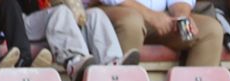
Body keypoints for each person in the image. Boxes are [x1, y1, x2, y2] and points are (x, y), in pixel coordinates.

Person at [19, 0, 137, 81]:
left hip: (56, 19)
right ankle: (74, 63)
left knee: (95, 14)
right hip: (22, 23)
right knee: (61, 12)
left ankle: (112, 62)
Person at [93, 0, 223, 66]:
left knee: (211, 30)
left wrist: (181, 15)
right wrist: (150, 15)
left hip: (160, 18)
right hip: (115, 10)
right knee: (132, 22)